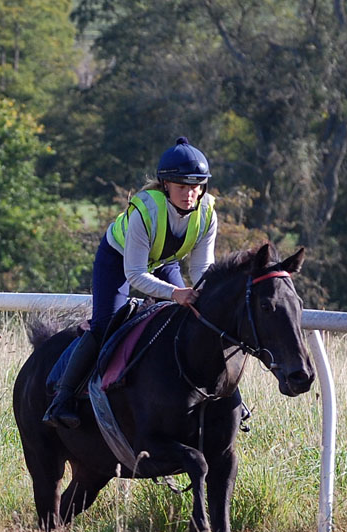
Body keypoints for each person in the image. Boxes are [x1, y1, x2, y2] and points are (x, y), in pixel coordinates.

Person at [43, 136, 218, 429]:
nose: (190, 194)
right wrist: (176, 293)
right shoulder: (145, 211)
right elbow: (135, 274)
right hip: (117, 259)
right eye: (182, 187)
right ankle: (61, 397)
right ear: (165, 186)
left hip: (163, 261)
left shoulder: (208, 213)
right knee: (105, 325)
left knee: (190, 317)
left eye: (195, 187)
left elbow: (202, 268)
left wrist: (203, 296)